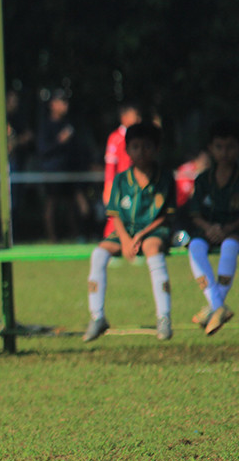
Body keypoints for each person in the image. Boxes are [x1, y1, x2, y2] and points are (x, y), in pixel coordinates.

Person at [83, 121, 175, 342]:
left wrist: (141, 236)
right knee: (98, 254)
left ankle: (163, 317)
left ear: (157, 148)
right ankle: (97, 316)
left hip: (154, 231)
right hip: (126, 231)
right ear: (127, 150)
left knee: (152, 249)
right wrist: (125, 240)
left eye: (147, 146)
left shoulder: (165, 178)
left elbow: (166, 215)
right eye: (135, 147)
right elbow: (114, 214)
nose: (141, 152)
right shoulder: (121, 179)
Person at [185, 119, 239, 335]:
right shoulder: (203, 180)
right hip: (208, 230)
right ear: (210, 148)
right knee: (195, 247)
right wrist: (209, 228)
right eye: (219, 147)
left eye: (230, 147)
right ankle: (218, 306)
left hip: (234, 231)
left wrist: (227, 229)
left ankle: (215, 307)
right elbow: (195, 214)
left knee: (230, 246)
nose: (224, 152)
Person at [37, 88, 88, 242]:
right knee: (51, 204)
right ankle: (52, 238)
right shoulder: (46, 125)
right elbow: (43, 150)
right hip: (52, 172)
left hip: (69, 171)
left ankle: (76, 236)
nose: (65, 105)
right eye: (61, 102)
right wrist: (59, 141)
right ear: (52, 104)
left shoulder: (69, 124)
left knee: (71, 204)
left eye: (66, 102)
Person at [101, 102, 142, 238]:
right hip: (122, 185)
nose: (137, 119)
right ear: (124, 118)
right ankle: (109, 241)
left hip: (137, 183)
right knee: (116, 215)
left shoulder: (139, 138)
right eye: (134, 116)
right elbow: (110, 165)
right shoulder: (116, 138)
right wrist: (109, 186)